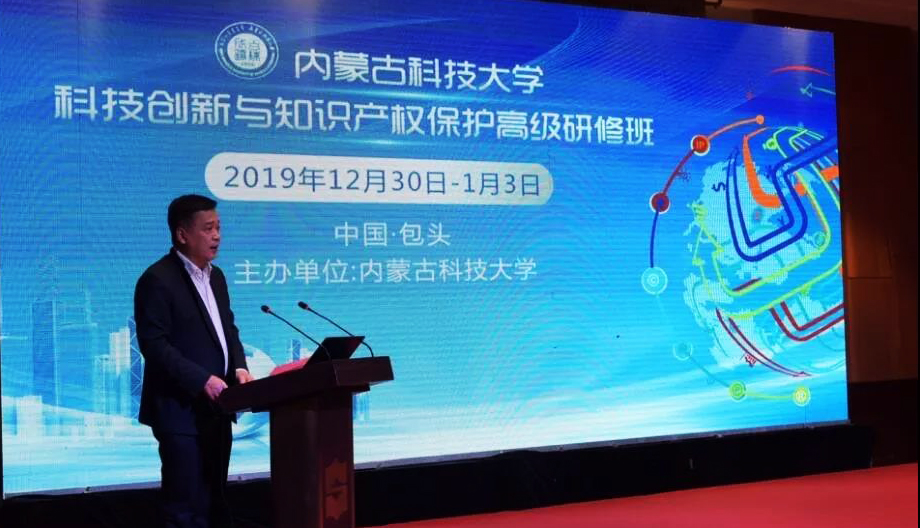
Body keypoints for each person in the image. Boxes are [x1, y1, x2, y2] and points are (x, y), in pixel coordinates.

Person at [134, 194, 254, 528]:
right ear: (182, 234)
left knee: (214, 503)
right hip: (180, 412)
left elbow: (227, 329)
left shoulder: (217, 277)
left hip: (218, 408)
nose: (217, 236)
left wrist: (239, 367)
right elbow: (154, 345)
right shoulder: (157, 279)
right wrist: (201, 379)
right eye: (208, 228)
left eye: (219, 227)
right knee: (184, 508)